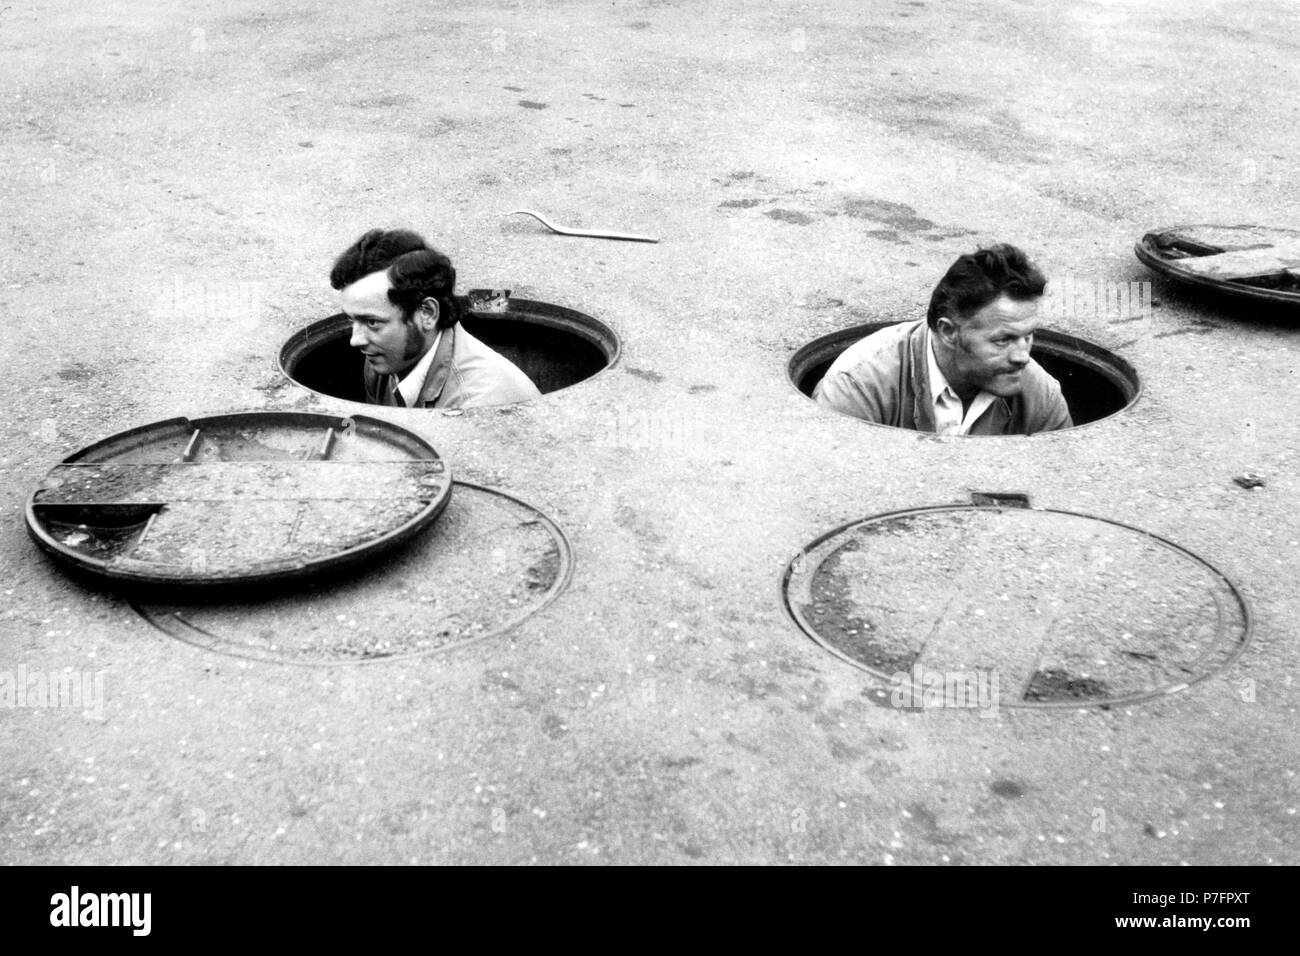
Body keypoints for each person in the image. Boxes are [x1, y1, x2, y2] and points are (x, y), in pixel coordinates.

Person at [813, 244, 1072, 435]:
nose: (1022, 356)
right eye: (1003, 340)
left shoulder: (1041, 395)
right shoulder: (859, 387)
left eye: (1027, 336)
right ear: (948, 332)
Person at [329, 229, 541, 409]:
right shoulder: (381, 360)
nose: (355, 340)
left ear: (428, 313)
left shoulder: (480, 404)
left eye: (372, 322)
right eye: (352, 320)